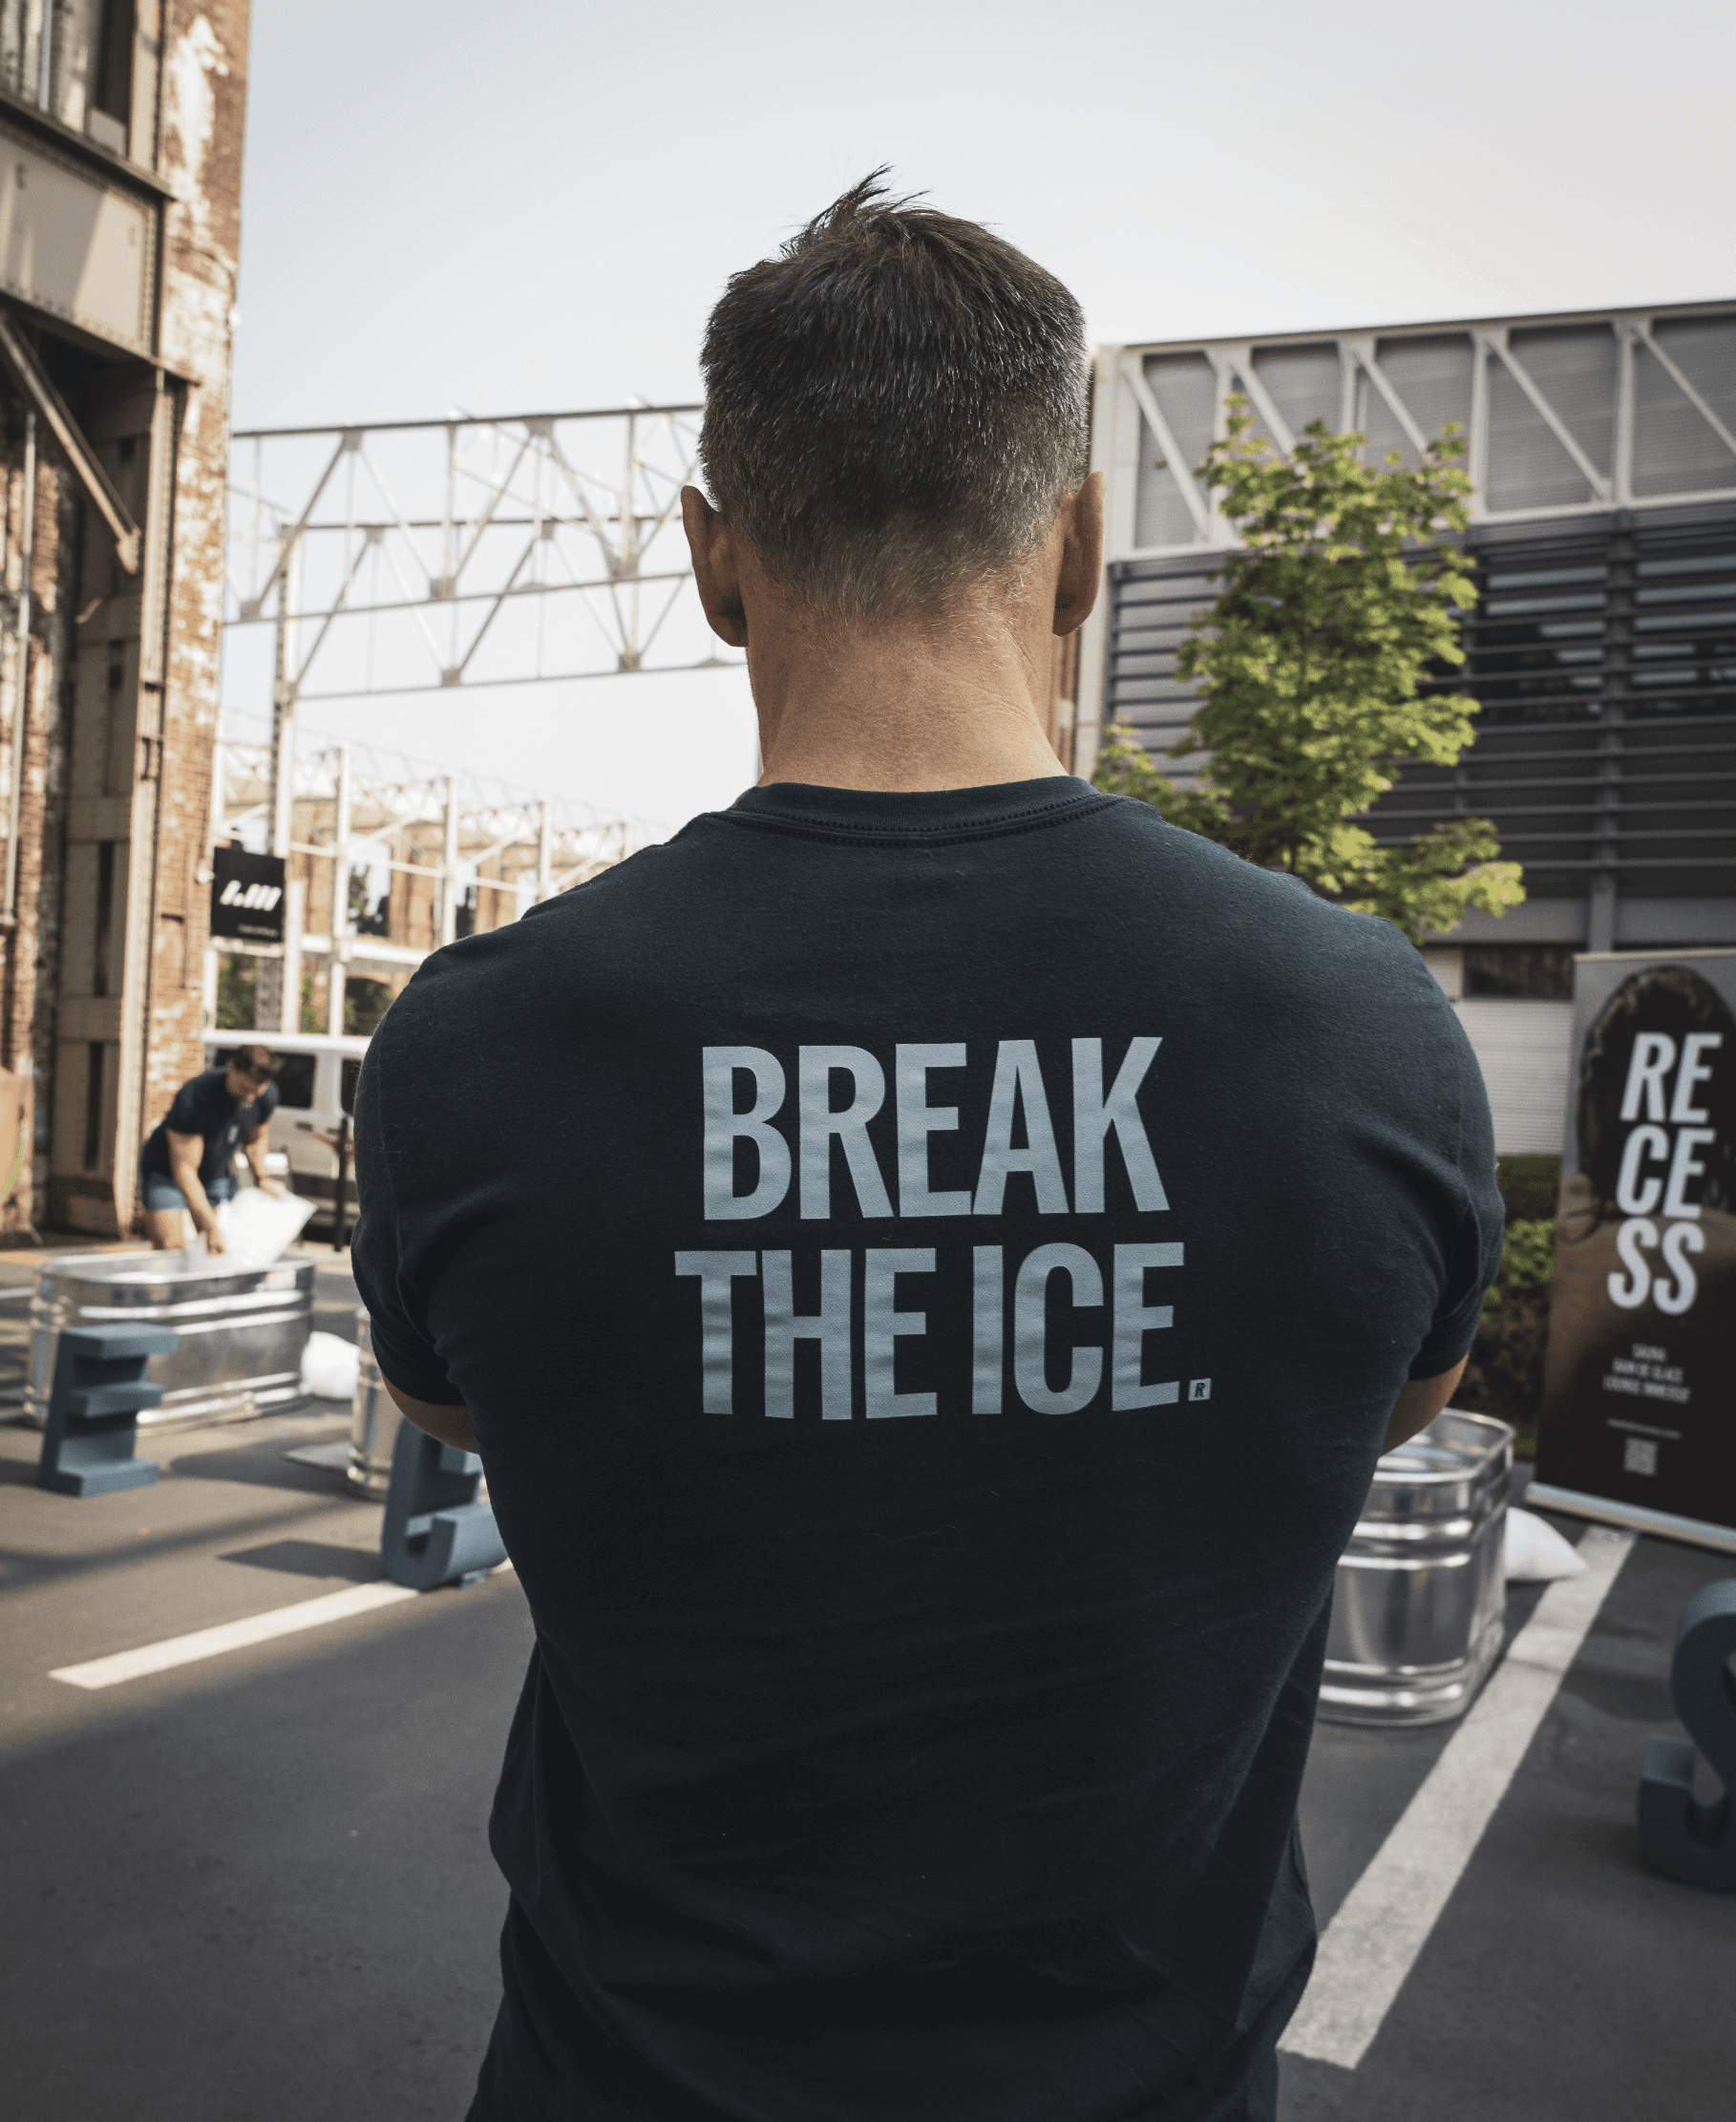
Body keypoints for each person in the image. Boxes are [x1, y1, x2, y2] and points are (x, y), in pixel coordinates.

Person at [351, 176, 1504, 2122]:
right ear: (1078, 544)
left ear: (713, 562)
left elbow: (464, 1415)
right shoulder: (1355, 1030)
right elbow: (1387, 1407)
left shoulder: (482, 1043)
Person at [139, 1042, 285, 1254]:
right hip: (167, 1173)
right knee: (170, 1248)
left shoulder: (267, 1095)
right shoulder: (196, 1096)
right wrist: (210, 1226)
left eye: (256, 1092)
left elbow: (256, 1138)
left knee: (219, 1249)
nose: (249, 1098)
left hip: (215, 1175)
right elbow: (185, 1171)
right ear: (231, 1067)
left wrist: (262, 1176)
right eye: (244, 1089)